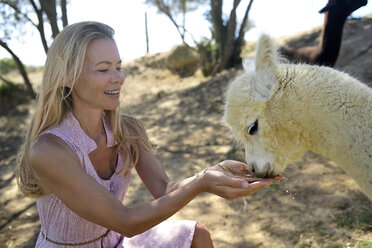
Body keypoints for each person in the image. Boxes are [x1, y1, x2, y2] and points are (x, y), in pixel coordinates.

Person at [16, 21, 280, 248]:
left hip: (117, 242)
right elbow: (125, 221)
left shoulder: (128, 130)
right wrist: (200, 183)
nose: (118, 77)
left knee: (196, 235)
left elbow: (163, 189)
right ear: (67, 77)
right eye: (103, 69)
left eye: (119, 66)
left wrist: (216, 173)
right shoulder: (49, 149)